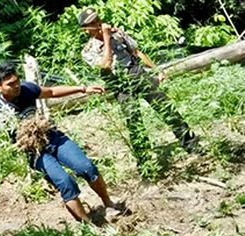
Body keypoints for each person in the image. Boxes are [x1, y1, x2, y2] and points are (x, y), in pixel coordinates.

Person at [0, 62, 123, 223]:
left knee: (86, 167)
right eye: (11, 84)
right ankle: (89, 226)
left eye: (17, 81)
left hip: (52, 137)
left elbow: (51, 92)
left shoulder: (26, 90)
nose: (17, 86)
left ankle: (109, 204)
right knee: (66, 183)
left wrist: (82, 88)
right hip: (35, 152)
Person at [78, 7, 199, 168]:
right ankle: (146, 164)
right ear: (86, 30)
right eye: (93, 23)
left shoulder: (118, 34)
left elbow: (137, 52)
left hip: (137, 73)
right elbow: (105, 65)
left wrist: (157, 70)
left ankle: (192, 145)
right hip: (119, 84)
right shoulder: (87, 51)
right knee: (134, 121)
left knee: (166, 108)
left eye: (98, 20)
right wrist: (106, 38)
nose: (98, 24)